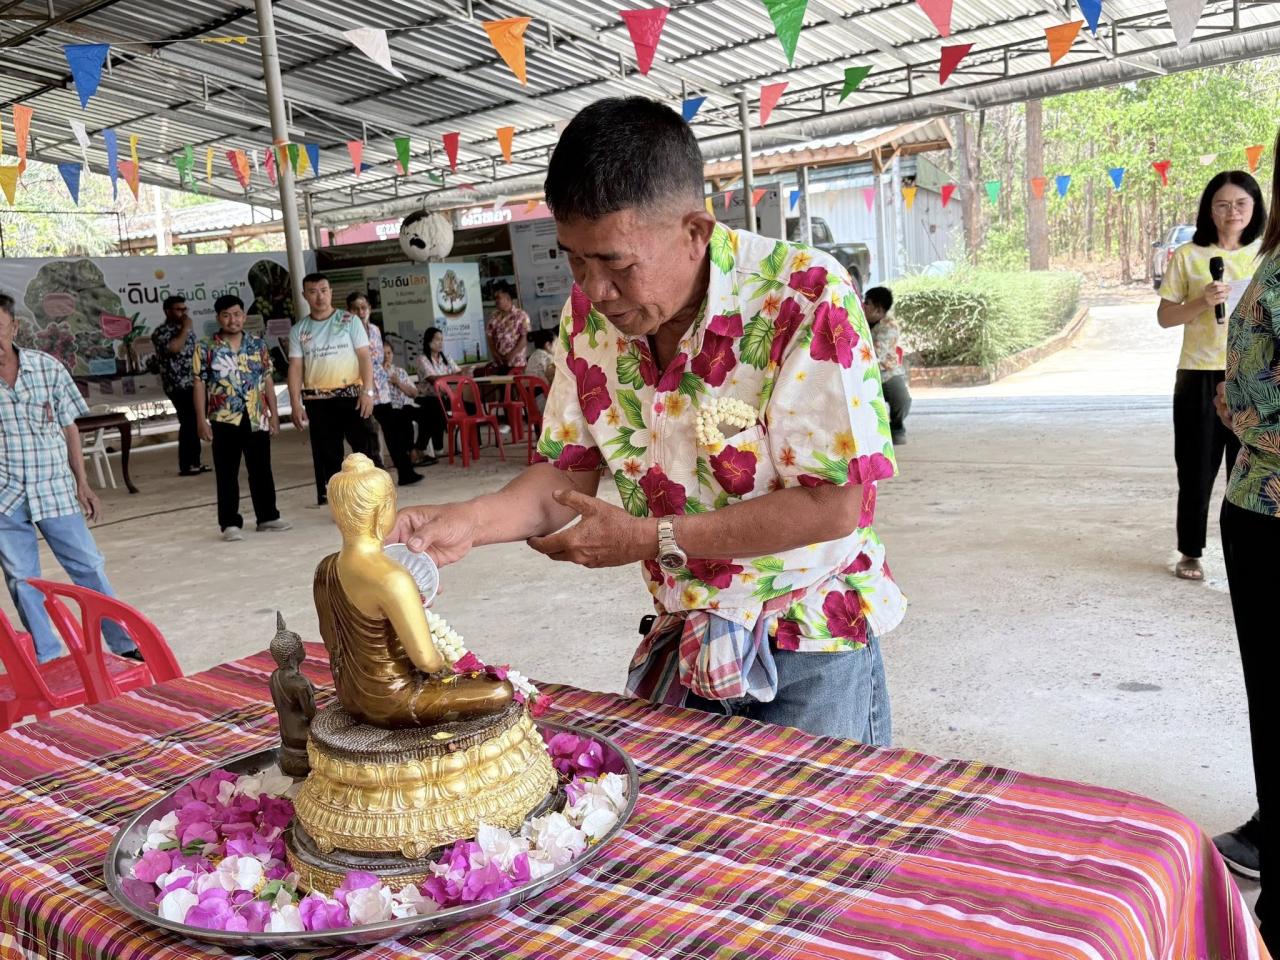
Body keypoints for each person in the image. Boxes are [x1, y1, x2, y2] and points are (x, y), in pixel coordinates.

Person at [388, 97, 905, 744]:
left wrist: (651, 538)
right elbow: (565, 475)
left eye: (617, 263)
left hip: (808, 643)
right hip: (683, 636)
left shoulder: (801, 299)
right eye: (575, 258)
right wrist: (470, 521)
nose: (594, 289)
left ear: (696, 231)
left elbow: (836, 507)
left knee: (815, 840)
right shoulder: (588, 319)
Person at [1209, 134, 1280, 938]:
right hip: (1253, 494)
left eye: (1244, 201)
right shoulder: (1206, 259)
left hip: (1268, 504)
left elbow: (1252, 406)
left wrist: (1237, 406)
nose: (1236, 211)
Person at [0, 293, 141, 663]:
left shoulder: (47, 368)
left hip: (54, 487)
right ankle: (47, 655)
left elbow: (69, 428)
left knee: (87, 565)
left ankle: (122, 642)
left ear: (14, 327)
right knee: (21, 578)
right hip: (4, 496)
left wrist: (83, 482)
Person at [1157, 170, 1265, 581]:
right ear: (1209, 210)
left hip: (1252, 373)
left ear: (1254, 207)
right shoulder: (1189, 256)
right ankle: (1190, 551)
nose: (1231, 211)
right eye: (1222, 204)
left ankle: (1248, 549)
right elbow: (1166, 317)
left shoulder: (1265, 255)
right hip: (1198, 374)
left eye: (1240, 203)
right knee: (1196, 467)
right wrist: (1200, 302)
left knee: (1251, 466)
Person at [193, 294, 291, 542]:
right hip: (224, 417)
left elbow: (267, 379)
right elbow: (199, 383)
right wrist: (200, 419)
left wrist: (275, 414)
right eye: (226, 315)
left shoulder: (258, 345)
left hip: (256, 415)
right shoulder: (205, 347)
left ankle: (267, 517)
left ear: (244, 316)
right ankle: (230, 523)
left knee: (261, 469)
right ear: (218, 318)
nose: (232, 319)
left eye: (237, 314)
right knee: (227, 472)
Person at [287, 273, 377, 507]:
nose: (320, 296)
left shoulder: (349, 321)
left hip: (352, 396)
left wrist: (368, 392)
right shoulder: (299, 330)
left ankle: (374, 494)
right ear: (305, 295)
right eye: (313, 291)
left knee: (364, 447)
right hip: (318, 400)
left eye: (324, 290)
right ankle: (336, 499)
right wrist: (295, 403)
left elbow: (365, 358)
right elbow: (295, 368)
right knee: (328, 452)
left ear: (331, 292)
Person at [149, 294, 208, 476]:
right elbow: (174, 348)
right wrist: (185, 327)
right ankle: (187, 464)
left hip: (194, 382)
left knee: (197, 419)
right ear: (167, 311)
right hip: (177, 384)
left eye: (185, 309)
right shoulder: (161, 332)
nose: (183, 313)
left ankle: (195, 461)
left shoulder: (186, 329)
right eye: (178, 309)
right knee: (188, 421)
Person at [863, 286, 911, 445]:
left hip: (885, 372)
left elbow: (874, 355)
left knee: (902, 399)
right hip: (860, 373)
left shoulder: (889, 326)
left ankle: (897, 427)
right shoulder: (857, 318)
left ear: (878, 309)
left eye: (867, 303)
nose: (863, 305)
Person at [373, 340, 425, 487]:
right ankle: (407, 464)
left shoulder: (399, 372)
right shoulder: (375, 373)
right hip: (385, 409)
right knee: (398, 423)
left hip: (404, 407)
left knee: (426, 412)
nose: (386, 357)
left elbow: (414, 393)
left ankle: (415, 449)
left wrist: (398, 383)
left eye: (389, 353)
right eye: (383, 354)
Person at [346, 292, 386, 471]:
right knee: (366, 429)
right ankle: (373, 467)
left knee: (385, 425)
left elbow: (379, 358)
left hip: (380, 387)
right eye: (356, 309)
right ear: (349, 311)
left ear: (369, 308)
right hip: (361, 388)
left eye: (364, 308)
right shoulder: (347, 332)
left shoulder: (375, 330)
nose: (361, 312)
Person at [413, 326, 456, 463]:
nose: (440, 343)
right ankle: (430, 446)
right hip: (426, 398)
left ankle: (472, 443)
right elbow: (433, 379)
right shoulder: (422, 359)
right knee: (435, 407)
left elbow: (458, 374)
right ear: (428, 342)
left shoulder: (446, 358)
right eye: (437, 339)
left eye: (442, 340)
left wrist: (464, 373)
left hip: (444, 397)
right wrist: (452, 376)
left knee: (469, 405)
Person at [484, 281, 529, 373]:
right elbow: (489, 337)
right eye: (494, 298)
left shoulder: (521, 315)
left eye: (498, 298)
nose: (495, 301)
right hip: (499, 364)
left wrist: (511, 355)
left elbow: (524, 338)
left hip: (517, 364)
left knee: (517, 387)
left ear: (507, 297)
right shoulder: (494, 316)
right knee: (503, 387)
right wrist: (496, 354)